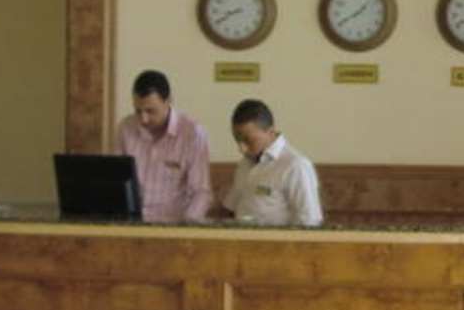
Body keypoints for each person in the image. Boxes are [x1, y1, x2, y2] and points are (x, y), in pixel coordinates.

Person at [115, 69, 212, 223]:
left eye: (150, 111)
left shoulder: (193, 134)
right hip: (132, 222)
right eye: (138, 111)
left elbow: (201, 192)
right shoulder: (125, 128)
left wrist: (187, 226)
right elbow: (117, 182)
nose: (143, 119)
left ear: (168, 101)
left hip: (174, 224)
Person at [223, 98, 323, 226]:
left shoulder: (296, 166)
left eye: (249, 141)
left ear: (270, 132)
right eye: (237, 139)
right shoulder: (245, 164)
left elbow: (309, 221)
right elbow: (232, 208)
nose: (242, 149)